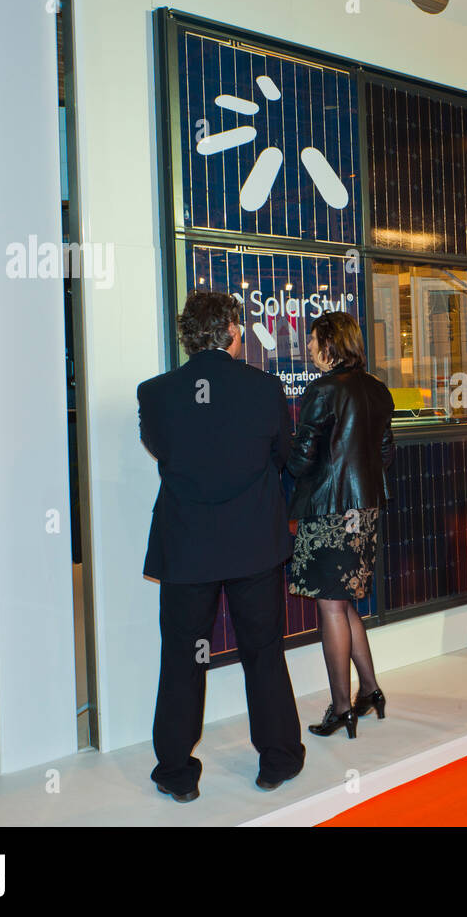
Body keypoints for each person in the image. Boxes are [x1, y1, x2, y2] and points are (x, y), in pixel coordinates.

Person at [137, 291, 304, 802]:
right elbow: (283, 456)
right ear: (233, 331)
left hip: (186, 549)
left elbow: (160, 449)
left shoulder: (156, 392)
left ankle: (174, 773)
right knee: (264, 652)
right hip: (253, 544)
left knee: (182, 659)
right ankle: (276, 761)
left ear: (188, 337)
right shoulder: (265, 388)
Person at [287, 311, 395, 738]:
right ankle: (369, 692)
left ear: (330, 345)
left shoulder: (323, 390)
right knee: (345, 601)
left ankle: (341, 707)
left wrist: (283, 460)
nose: (308, 348)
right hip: (363, 511)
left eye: (313, 341)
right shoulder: (378, 389)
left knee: (331, 605)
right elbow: (385, 454)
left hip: (329, 511)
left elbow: (301, 460)